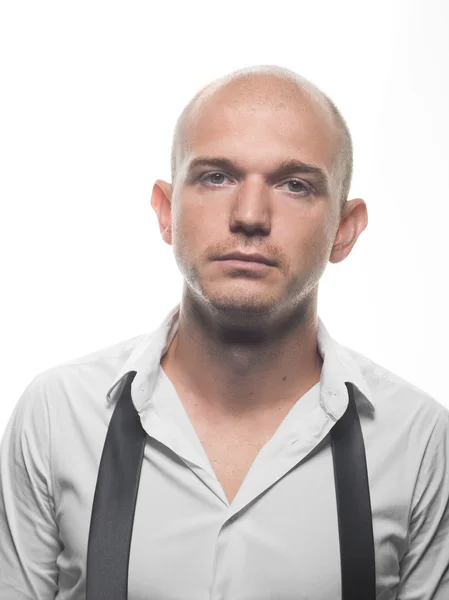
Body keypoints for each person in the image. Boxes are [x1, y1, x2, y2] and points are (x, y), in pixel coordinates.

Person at [1, 64, 448, 600]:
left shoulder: (418, 441)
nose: (250, 215)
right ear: (166, 213)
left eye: (295, 185)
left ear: (344, 230)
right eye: (217, 176)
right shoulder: (57, 416)